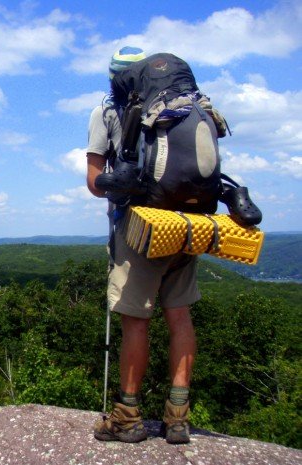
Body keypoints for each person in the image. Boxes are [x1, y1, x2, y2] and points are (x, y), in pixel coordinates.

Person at [87, 46, 199, 444]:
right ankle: (178, 417)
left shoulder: (106, 113)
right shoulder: (181, 109)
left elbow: (94, 180)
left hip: (139, 227)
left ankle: (128, 416)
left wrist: (119, 185)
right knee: (179, 317)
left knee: (137, 320)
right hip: (187, 225)